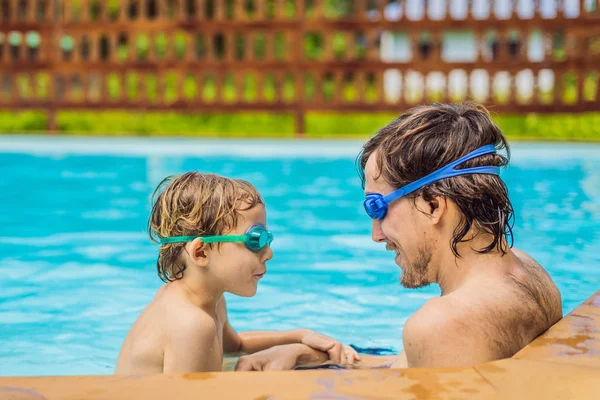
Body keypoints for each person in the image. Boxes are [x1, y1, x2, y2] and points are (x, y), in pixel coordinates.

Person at [236, 102, 562, 370]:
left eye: (377, 208)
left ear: (433, 205)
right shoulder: (529, 273)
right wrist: (314, 357)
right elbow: (433, 363)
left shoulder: (441, 324)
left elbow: (441, 348)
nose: (376, 235)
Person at [115, 172, 358, 374]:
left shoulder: (205, 299)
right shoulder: (191, 324)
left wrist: (300, 336)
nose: (269, 253)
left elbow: (236, 345)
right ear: (201, 253)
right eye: (256, 239)